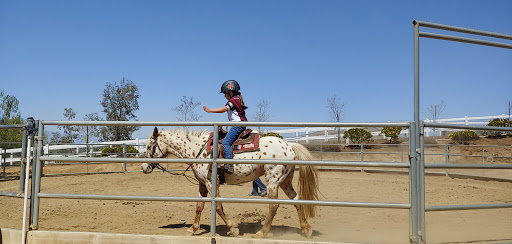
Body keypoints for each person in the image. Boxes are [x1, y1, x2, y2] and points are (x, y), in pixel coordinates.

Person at [203, 80, 247, 174]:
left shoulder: (233, 100)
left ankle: (228, 164)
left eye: (225, 93)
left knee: (226, 143)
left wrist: (209, 110)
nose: (224, 96)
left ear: (230, 92)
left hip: (237, 126)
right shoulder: (237, 99)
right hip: (239, 125)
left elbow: (224, 109)